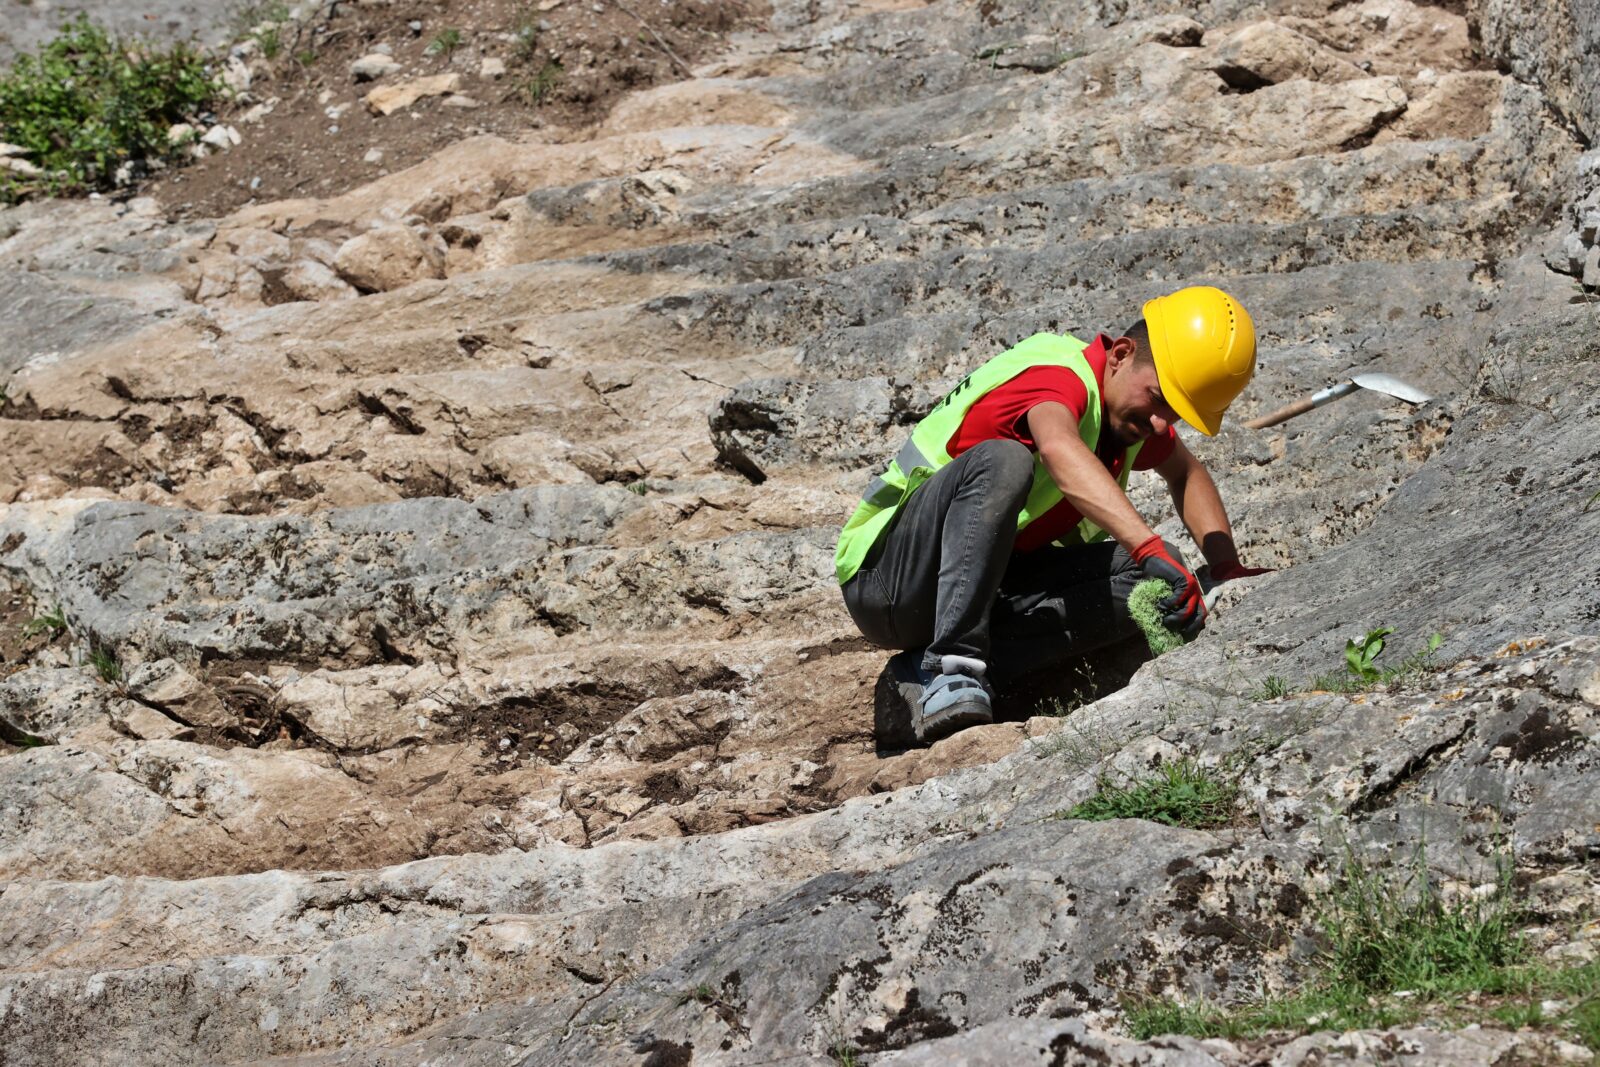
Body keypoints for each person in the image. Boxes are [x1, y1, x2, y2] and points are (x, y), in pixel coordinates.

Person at [835, 285, 1273, 742]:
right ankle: (953, 664)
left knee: (1160, 585)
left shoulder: (1128, 413)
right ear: (1120, 355)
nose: (1163, 423)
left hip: (980, 585)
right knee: (1004, 460)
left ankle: (925, 675)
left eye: (1178, 412)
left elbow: (1187, 474)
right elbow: (1059, 447)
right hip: (888, 582)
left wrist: (1225, 568)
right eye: (1160, 399)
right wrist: (1145, 543)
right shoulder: (1058, 375)